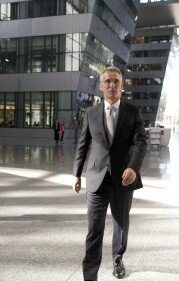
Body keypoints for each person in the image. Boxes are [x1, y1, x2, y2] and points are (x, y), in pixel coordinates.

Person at [73, 66, 147, 280]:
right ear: (101, 86)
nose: (112, 85)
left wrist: (133, 167)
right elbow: (83, 144)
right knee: (94, 229)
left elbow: (141, 143)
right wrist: (76, 173)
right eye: (108, 81)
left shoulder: (133, 112)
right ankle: (90, 275)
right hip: (96, 179)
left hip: (124, 179)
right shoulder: (91, 113)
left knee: (120, 224)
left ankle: (117, 259)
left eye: (116, 81)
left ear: (122, 86)